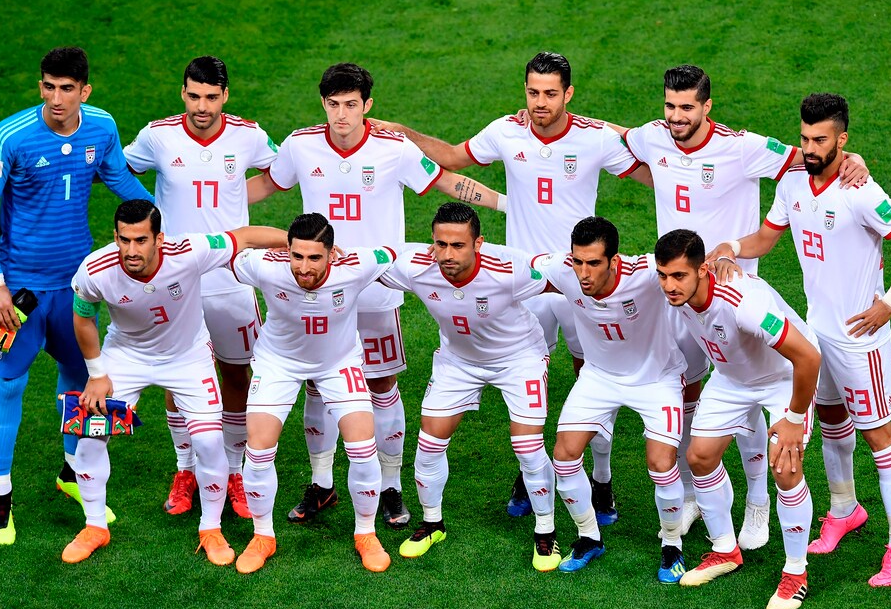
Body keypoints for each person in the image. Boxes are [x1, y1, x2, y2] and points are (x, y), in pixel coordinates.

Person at [373, 51, 652, 524]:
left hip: (580, 282)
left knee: (594, 379)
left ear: (568, 94)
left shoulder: (595, 138)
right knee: (527, 381)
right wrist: (404, 132)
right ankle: (528, 475)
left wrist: (618, 130)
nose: (540, 103)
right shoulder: (507, 130)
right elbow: (454, 157)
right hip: (522, 285)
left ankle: (602, 480)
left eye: (550, 93)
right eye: (533, 92)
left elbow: (653, 172)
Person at [613, 64, 868, 546]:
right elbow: (616, 134)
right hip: (679, 297)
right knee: (687, 388)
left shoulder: (743, 147)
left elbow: (809, 157)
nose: (676, 116)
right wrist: (552, 116)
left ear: (707, 106)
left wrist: (851, 157)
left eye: (686, 107)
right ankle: (694, 493)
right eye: (669, 105)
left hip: (732, 297)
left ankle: (757, 500)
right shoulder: (653, 136)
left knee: (745, 391)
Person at [247, 63, 505, 531]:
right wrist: (204, 206)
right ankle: (322, 482)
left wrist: (507, 203)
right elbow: (265, 185)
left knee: (382, 385)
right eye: (333, 105)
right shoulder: (300, 145)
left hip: (377, 288)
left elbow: (445, 180)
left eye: (351, 104)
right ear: (323, 104)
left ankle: (390, 485)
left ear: (367, 105)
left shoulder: (393, 148)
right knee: (316, 384)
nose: (341, 115)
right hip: (318, 287)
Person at [710, 93, 891, 587]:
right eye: (805, 138)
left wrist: (889, 303)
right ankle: (844, 508)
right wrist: (731, 246)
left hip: (860, 339)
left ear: (842, 139)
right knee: (832, 420)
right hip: (817, 334)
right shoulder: (792, 182)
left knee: (878, 434)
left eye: (820, 140)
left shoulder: (861, 190)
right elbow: (766, 238)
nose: (809, 148)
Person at [0, 46, 153, 545]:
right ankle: (0, 496)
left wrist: (166, 226)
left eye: (67, 88)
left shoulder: (102, 127)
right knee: (10, 386)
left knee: (80, 382)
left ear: (84, 91)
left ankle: (72, 474)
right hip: (21, 293)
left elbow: (119, 178)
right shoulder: (10, 136)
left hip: (77, 286)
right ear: (41, 86)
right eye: (48, 87)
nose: (56, 98)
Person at [66, 200, 289, 565]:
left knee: (209, 442)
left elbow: (245, 237)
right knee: (90, 437)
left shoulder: (188, 252)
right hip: (126, 357)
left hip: (187, 357)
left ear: (159, 239)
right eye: (124, 240)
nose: (131, 250)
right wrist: (96, 374)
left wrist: (297, 244)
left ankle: (211, 529)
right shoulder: (96, 269)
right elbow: (82, 318)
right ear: (115, 236)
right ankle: (94, 527)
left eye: (141, 240)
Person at [125, 56, 280, 519]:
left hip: (232, 278)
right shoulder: (157, 136)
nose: (202, 106)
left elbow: (281, 173)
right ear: (183, 93)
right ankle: (186, 469)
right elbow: (119, 170)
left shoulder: (249, 135)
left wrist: (236, 196)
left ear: (225, 96)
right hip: (175, 280)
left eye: (211, 97)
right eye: (194, 96)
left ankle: (233, 471)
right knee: (178, 374)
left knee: (236, 372)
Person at [377, 202, 559, 571]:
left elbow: (569, 280)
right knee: (429, 441)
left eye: (458, 245)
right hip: (458, 361)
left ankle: (546, 531)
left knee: (527, 447)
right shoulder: (415, 266)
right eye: (440, 244)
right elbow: (357, 264)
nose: (447, 254)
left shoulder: (508, 268)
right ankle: (432, 524)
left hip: (519, 358)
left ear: (478, 244)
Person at [656, 229, 821, 609]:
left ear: (702, 270)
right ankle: (724, 550)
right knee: (699, 457)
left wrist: (795, 418)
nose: (669, 286)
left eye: (679, 276)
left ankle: (796, 573)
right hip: (732, 378)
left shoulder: (743, 304)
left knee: (785, 468)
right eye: (663, 276)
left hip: (783, 378)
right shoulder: (677, 292)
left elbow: (808, 356)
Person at [230, 213, 400, 574]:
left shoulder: (356, 266)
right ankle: (262, 537)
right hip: (278, 364)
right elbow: (232, 245)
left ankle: (366, 533)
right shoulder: (263, 266)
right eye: (296, 256)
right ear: (287, 250)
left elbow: (393, 253)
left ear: (332, 254)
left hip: (338, 363)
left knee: (362, 447)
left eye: (314, 258)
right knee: (257, 451)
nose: (304, 268)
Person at [531, 217, 689, 581]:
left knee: (661, 463)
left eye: (593, 263)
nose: (583, 274)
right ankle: (589, 536)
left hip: (656, 378)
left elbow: (691, 266)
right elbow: (516, 267)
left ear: (614, 261)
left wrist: (726, 257)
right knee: (564, 455)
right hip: (599, 377)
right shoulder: (561, 269)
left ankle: (672, 544)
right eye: (578, 262)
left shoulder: (646, 273)